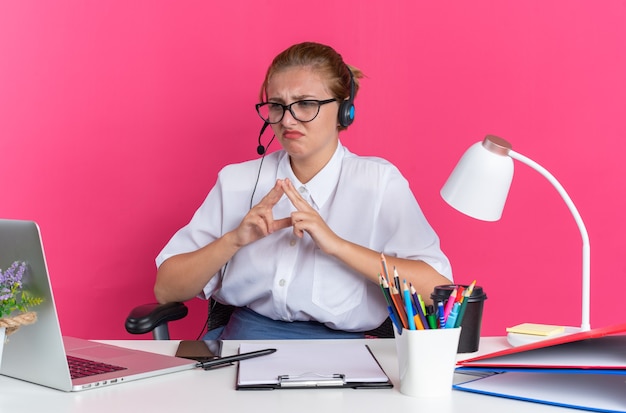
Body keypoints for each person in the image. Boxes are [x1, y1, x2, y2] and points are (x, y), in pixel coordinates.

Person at [154, 41, 452, 340]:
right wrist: (233, 240)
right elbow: (166, 289)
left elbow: (436, 292)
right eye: (277, 105)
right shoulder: (237, 181)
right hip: (241, 344)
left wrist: (337, 246)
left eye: (305, 103)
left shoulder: (379, 183)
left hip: (344, 355)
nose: (286, 120)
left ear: (344, 111)